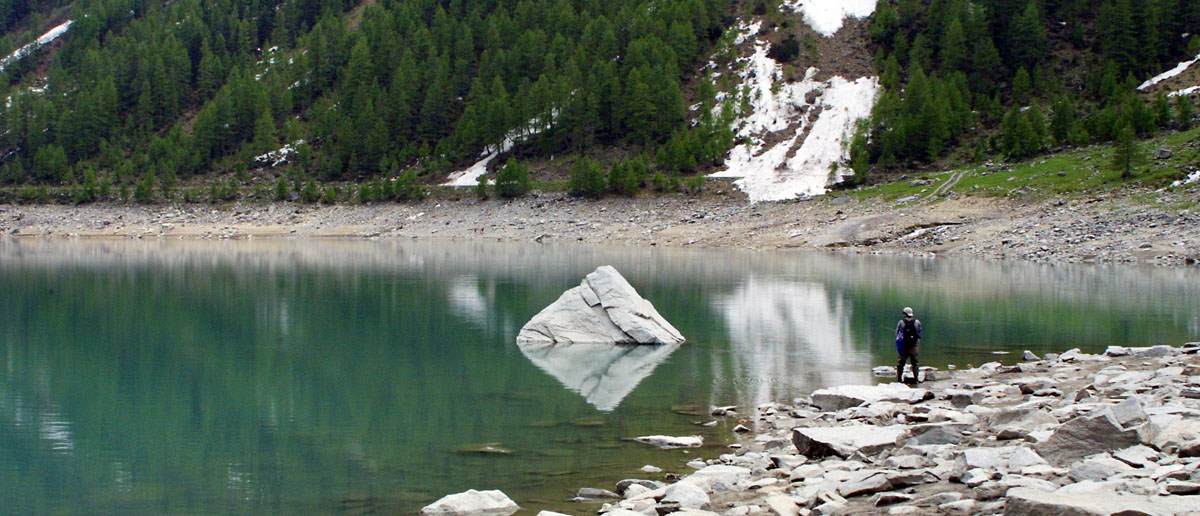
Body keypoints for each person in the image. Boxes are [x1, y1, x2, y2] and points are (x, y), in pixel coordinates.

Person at [895, 307, 922, 383]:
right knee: (915, 363)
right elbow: (919, 334)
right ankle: (916, 379)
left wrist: (899, 346)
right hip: (914, 346)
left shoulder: (901, 322)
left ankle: (899, 379)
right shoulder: (917, 322)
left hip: (904, 346)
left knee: (901, 363)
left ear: (905, 314)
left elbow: (898, 335)